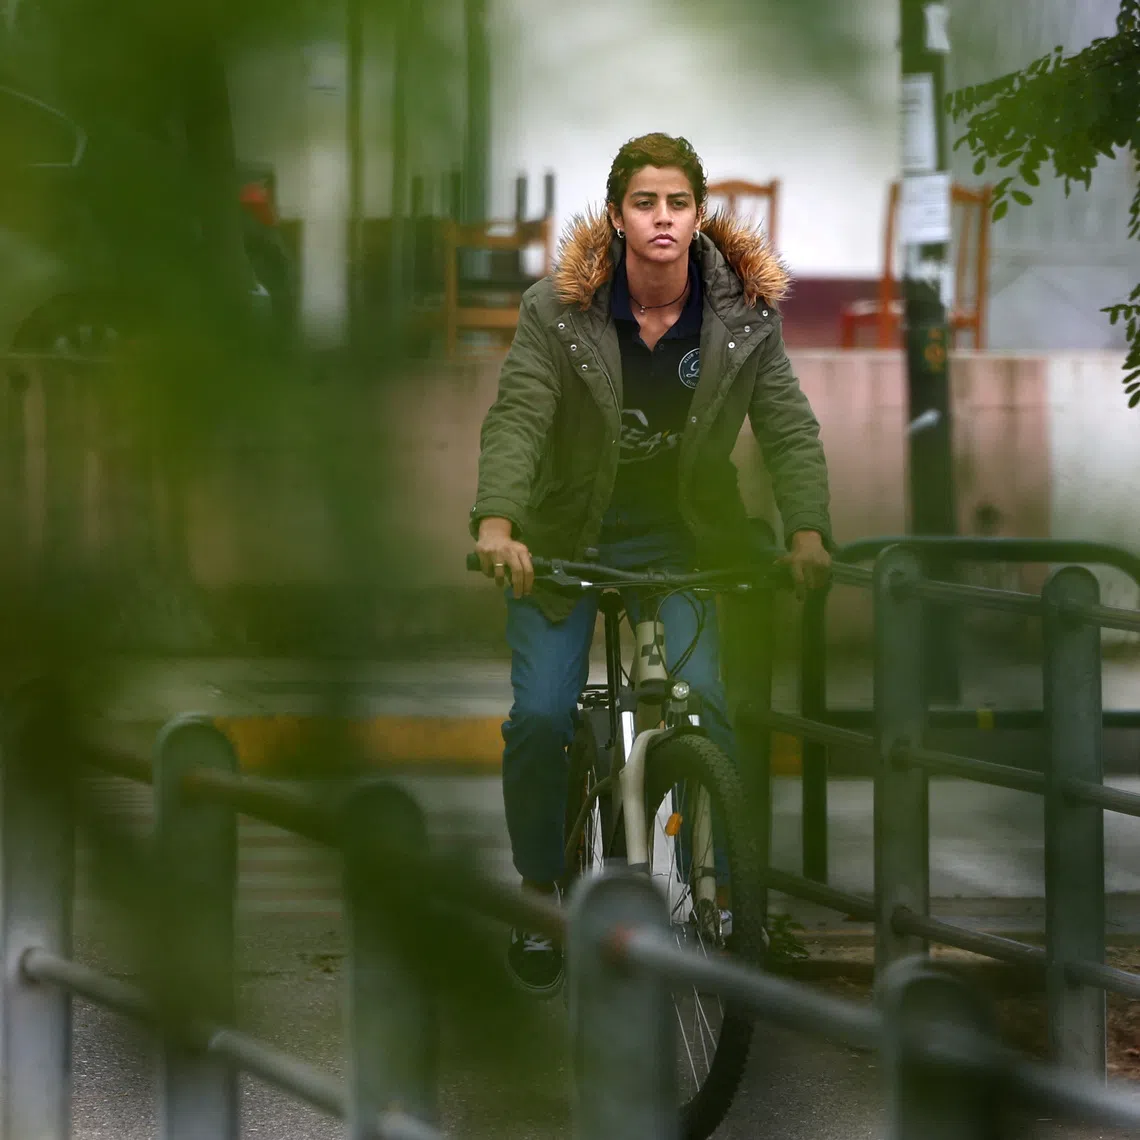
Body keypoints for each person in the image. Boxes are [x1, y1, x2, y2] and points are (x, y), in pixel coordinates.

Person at [470, 133, 832, 995]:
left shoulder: (744, 316)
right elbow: (518, 416)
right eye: (644, 203)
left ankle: (719, 902)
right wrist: (497, 522)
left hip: (685, 542)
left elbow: (787, 428)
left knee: (707, 709)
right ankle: (538, 892)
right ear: (619, 216)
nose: (661, 219)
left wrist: (809, 531)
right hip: (560, 540)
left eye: (676, 203)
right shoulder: (558, 311)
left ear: (697, 214)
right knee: (543, 718)